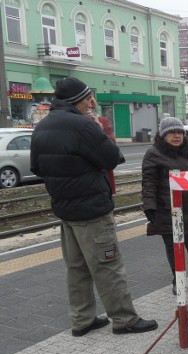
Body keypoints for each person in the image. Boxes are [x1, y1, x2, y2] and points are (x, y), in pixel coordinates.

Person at [30, 77, 158, 336]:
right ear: (80, 99)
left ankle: (82, 320)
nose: (91, 102)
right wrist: (97, 128)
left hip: (65, 210)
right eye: (88, 98)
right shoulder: (83, 125)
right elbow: (112, 157)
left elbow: (36, 168)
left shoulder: (42, 127)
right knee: (107, 266)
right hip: (92, 209)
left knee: (76, 268)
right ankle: (124, 319)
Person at [142, 117, 188, 294]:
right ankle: (177, 279)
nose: (177, 135)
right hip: (166, 209)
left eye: (179, 132)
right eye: (172, 132)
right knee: (173, 246)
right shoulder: (153, 153)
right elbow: (149, 182)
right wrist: (149, 206)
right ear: (163, 135)